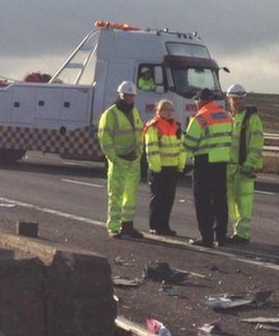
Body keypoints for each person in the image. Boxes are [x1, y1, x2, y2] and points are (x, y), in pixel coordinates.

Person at [183, 88, 233, 247]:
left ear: (200, 101)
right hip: (222, 161)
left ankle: (207, 237)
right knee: (220, 199)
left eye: (197, 100)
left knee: (203, 201)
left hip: (204, 162)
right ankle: (221, 236)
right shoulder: (227, 115)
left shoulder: (200, 118)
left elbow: (188, 144)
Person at [98, 81, 144, 238]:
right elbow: (105, 138)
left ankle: (127, 226)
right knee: (116, 194)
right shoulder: (110, 114)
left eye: (132, 96)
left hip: (133, 159)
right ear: (120, 95)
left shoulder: (135, 112)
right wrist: (113, 159)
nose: (129, 98)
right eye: (126, 95)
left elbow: (139, 132)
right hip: (119, 160)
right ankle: (114, 227)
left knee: (130, 195)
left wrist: (139, 153)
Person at [225, 84, 264, 244]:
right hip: (229, 166)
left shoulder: (251, 118)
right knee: (231, 202)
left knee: (244, 202)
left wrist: (249, 163)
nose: (237, 102)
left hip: (244, 167)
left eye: (240, 99)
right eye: (234, 98)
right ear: (229, 99)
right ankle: (237, 231)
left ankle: (242, 234)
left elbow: (256, 143)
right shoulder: (228, 117)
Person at [143, 99, 187, 236]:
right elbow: (152, 149)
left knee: (168, 199)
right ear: (159, 111)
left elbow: (181, 147)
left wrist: (181, 166)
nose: (169, 112)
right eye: (166, 109)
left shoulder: (176, 126)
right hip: (159, 169)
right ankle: (155, 225)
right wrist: (156, 168)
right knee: (158, 199)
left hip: (172, 168)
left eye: (171, 110)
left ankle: (164, 225)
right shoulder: (153, 126)